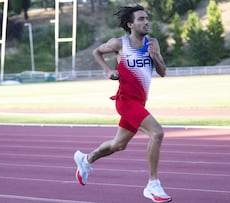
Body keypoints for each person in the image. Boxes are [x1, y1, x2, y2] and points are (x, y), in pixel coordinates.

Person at [73, 5, 172, 203]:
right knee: (157, 133)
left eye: (147, 19)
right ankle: (152, 184)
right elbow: (96, 52)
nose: (146, 22)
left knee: (118, 145)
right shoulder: (119, 43)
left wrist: (155, 57)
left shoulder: (152, 43)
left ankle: (86, 159)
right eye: (141, 19)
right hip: (125, 101)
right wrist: (108, 71)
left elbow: (162, 72)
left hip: (140, 102)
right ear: (130, 24)